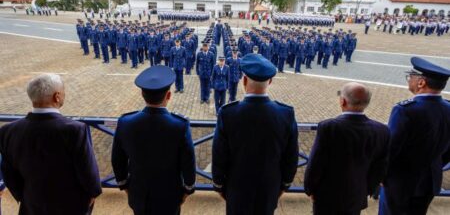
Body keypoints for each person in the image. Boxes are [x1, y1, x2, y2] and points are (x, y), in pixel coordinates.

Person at [0, 74, 102, 215]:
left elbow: (8, 173)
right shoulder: (74, 129)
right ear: (57, 96)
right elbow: (87, 170)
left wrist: (25, 197)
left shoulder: (7, 131)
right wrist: (93, 192)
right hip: (71, 205)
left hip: (32, 203)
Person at [212, 53, 299, 215]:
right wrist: (284, 185)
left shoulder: (228, 113)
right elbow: (291, 157)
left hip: (237, 187)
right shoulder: (285, 114)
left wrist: (219, 185)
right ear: (270, 81)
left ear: (244, 81)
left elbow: (219, 155)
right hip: (269, 188)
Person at [112, 66, 196, 215]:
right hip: (170, 196)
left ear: (142, 94)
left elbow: (117, 160)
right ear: (168, 95)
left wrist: (124, 186)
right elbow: (188, 162)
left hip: (138, 194)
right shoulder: (180, 125)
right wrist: (187, 190)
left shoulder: (126, 122)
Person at [304, 82, 390, 215]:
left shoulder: (329, 127)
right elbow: (380, 167)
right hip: (357, 194)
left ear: (343, 101)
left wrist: (310, 189)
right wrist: (367, 190)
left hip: (327, 195)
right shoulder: (382, 130)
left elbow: (316, 163)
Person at [379, 57, 450, 215]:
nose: (409, 79)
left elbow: (391, 149)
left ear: (421, 83)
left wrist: (381, 175)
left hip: (401, 183)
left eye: (411, 76)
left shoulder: (405, 110)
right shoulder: (448, 108)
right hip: (430, 181)